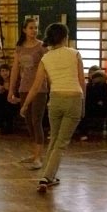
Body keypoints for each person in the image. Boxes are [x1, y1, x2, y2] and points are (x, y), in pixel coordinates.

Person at [20, 23, 85, 192]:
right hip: (73, 99)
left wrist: (25, 104)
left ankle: (47, 175)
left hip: (55, 100)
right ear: (65, 37)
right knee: (61, 143)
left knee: (54, 139)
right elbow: (81, 81)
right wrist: (83, 103)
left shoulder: (46, 58)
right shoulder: (75, 54)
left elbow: (36, 86)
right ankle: (47, 177)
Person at [8, 17, 48, 170]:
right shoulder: (19, 47)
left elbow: (48, 68)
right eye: (31, 28)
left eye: (36, 28)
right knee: (29, 121)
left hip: (39, 88)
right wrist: (11, 90)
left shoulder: (42, 46)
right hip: (24, 88)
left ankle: (39, 157)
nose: (34, 30)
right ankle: (34, 153)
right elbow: (15, 70)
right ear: (24, 30)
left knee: (36, 120)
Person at [76, 65, 107, 141]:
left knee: (85, 110)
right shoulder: (89, 85)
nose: (91, 75)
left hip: (99, 108)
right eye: (90, 73)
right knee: (82, 110)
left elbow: (103, 98)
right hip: (90, 105)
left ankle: (84, 133)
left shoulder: (103, 85)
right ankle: (82, 132)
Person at [0, 63, 19, 135]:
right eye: (2, 71)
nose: (5, 73)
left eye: (6, 71)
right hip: (3, 102)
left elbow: (16, 94)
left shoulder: (14, 81)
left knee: (7, 106)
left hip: (14, 102)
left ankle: (7, 127)